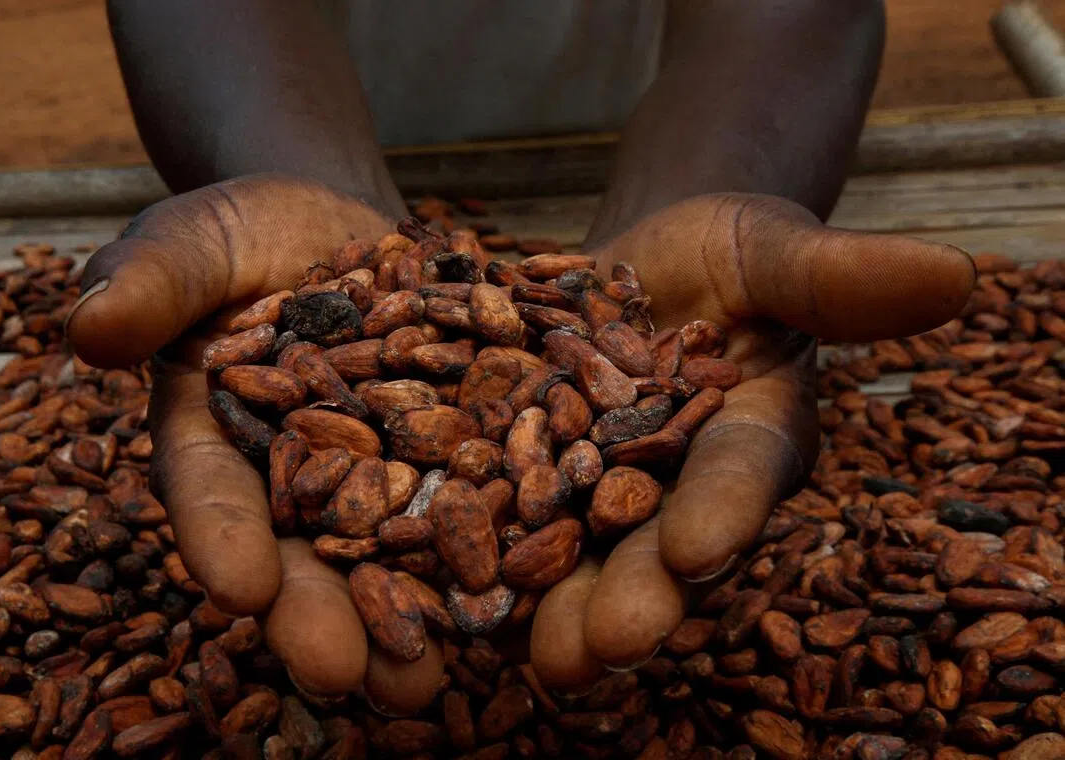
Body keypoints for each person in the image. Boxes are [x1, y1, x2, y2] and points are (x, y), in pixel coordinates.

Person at [67, 0, 976, 716]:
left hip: (697, 109)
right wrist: (288, 181)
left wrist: (718, 196)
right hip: (269, 88)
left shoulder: (545, 383)